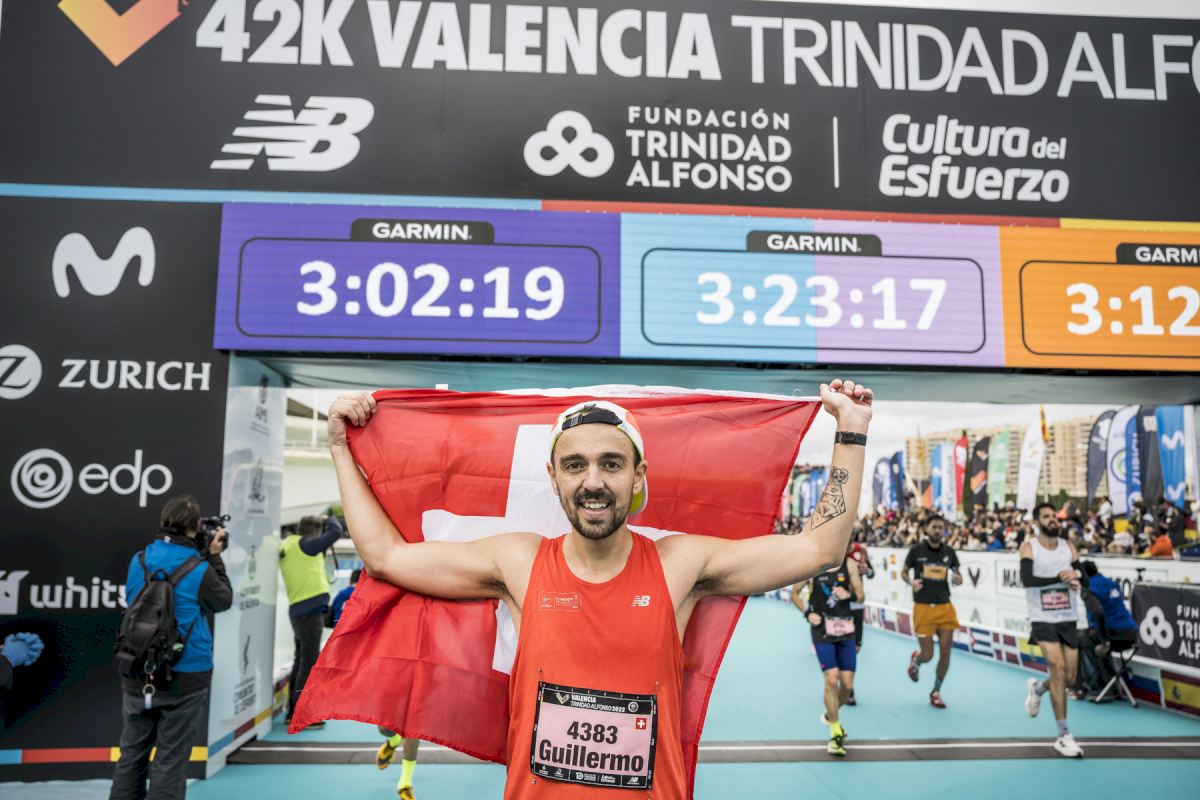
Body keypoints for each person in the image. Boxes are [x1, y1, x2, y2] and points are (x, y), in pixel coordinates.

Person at [326, 378, 874, 797]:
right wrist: (338, 447)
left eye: (611, 464)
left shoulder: (679, 565)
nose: (593, 481)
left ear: (638, 476)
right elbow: (386, 556)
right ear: (554, 477)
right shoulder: (518, 562)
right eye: (575, 465)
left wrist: (850, 430)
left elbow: (818, 550)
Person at [110, 496, 231, 800]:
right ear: (195, 528)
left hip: (137, 667)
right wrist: (215, 558)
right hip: (186, 672)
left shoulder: (139, 560)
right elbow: (223, 600)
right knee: (171, 758)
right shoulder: (200, 569)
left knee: (131, 753)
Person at [1021, 502, 1085, 758]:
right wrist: (1059, 578)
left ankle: (1038, 689)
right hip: (1042, 617)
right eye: (1047, 517)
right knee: (1057, 669)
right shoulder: (1029, 547)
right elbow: (1027, 580)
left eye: (1054, 516)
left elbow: (1084, 574)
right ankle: (1063, 736)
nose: (1053, 520)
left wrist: (1075, 574)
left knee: (1069, 678)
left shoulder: (1068, 547)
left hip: (1068, 617)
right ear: (1037, 522)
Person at [793, 557, 863, 756]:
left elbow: (861, 596)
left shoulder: (849, 565)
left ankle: (830, 715)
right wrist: (807, 613)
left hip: (846, 628)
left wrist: (849, 594)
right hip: (822, 630)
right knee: (831, 679)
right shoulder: (813, 564)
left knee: (847, 685)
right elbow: (794, 594)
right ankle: (835, 732)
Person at [279, 514, 344, 727]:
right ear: (314, 532)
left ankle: (293, 711)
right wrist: (330, 518)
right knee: (308, 664)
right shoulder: (307, 545)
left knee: (301, 661)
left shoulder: (292, 546)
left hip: (299, 611)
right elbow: (336, 532)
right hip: (309, 613)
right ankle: (301, 715)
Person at [902, 515, 962, 708]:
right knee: (928, 655)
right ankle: (917, 660)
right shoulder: (916, 551)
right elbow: (904, 572)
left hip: (945, 608)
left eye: (940, 528)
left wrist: (958, 579)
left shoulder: (949, 552)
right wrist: (911, 582)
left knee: (945, 652)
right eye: (934, 527)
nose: (937, 531)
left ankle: (936, 691)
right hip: (923, 608)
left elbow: (958, 575)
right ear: (926, 529)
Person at [843, 539, 873, 706]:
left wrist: (867, 571)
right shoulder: (834, 550)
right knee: (841, 644)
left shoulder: (860, 549)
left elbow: (872, 574)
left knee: (855, 647)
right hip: (838, 605)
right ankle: (848, 688)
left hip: (856, 603)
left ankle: (847, 683)